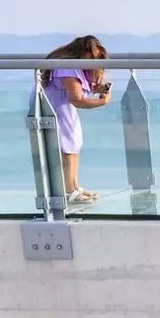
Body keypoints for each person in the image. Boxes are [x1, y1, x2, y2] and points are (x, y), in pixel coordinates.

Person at [40, 35, 110, 205]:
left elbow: (77, 91)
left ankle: (74, 185)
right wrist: (102, 101)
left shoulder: (74, 67)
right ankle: (67, 190)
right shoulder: (67, 67)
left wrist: (96, 88)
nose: (94, 61)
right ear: (83, 51)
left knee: (74, 143)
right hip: (56, 109)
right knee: (67, 146)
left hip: (63, 108)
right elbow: (77, 98)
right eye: (93, 57)